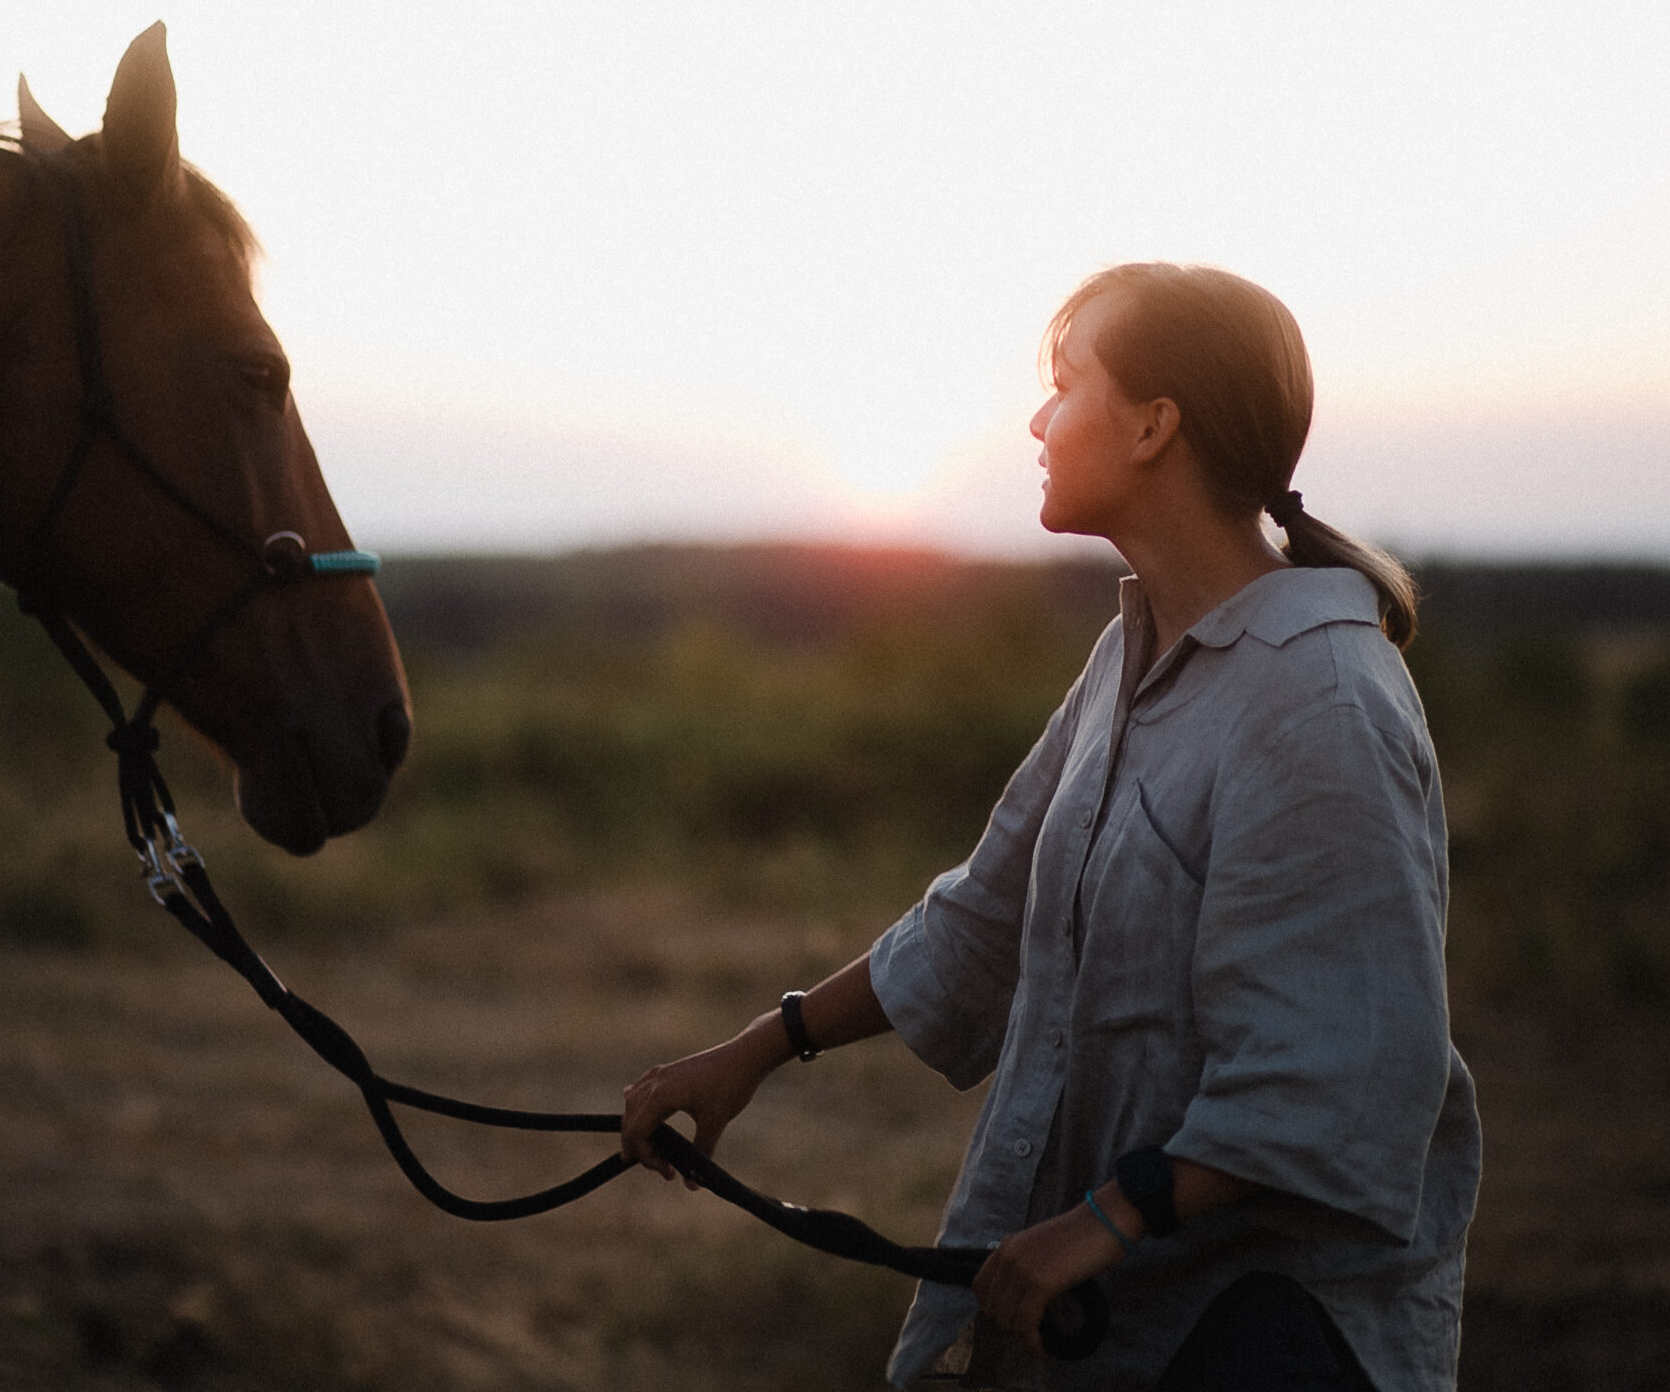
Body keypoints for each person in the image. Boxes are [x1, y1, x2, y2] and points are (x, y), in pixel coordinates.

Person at [620, 264, 1477, 1390]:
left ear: (1152, 427)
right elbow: (982, 917)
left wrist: (1105, 1223)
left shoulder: (1317, 699)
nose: (1035, 418)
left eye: (1065, 385)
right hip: (1103, 1331)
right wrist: (758, 1050)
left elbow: (1343, 1068)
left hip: (1253, 1341)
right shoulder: (1128, 658)